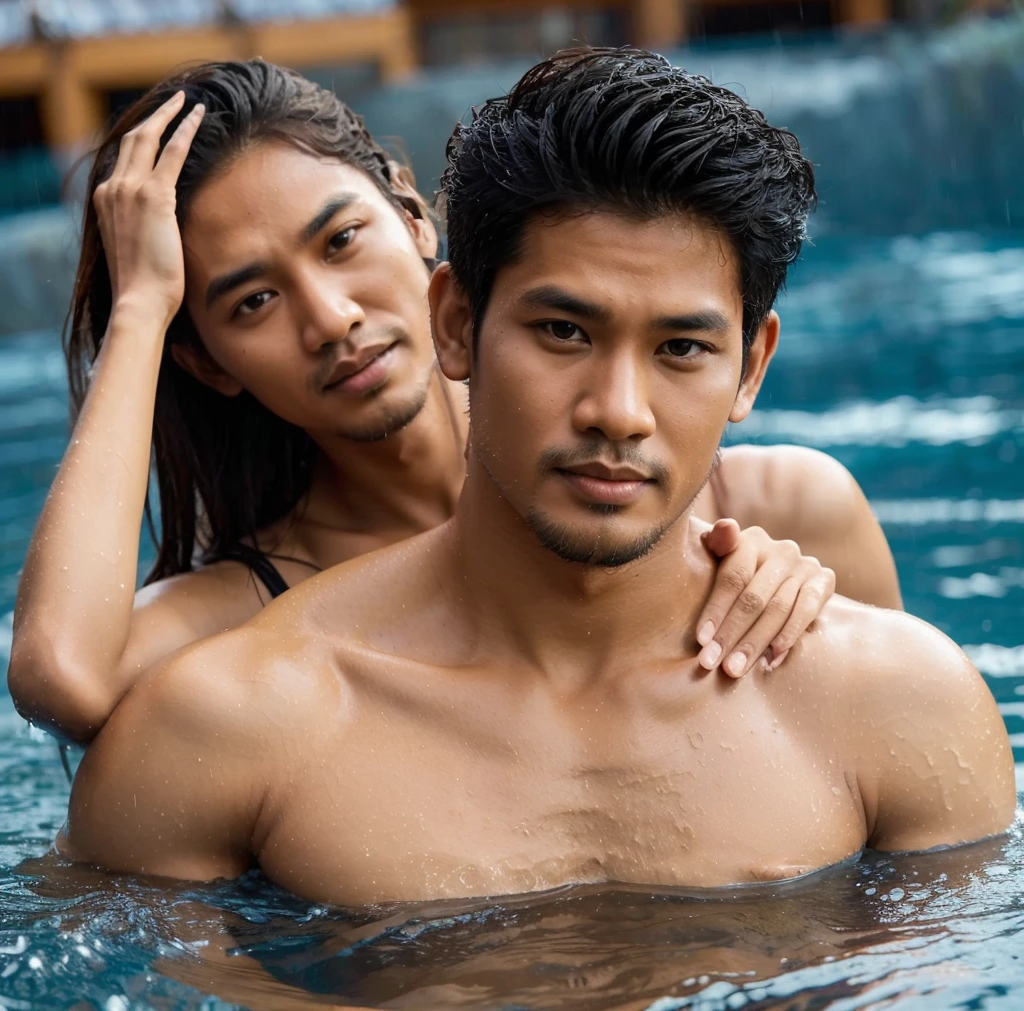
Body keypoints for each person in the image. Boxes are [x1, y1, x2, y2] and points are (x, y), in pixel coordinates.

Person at [59, 47, 1014, 905]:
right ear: (459, 325)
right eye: (563, 332)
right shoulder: (231, 705)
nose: (618, 411)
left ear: (751, 367)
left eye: (681, 346)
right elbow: (64, 678)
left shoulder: (884, 673)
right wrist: (143, 310)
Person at [8, 60, 898, 745]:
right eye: (253, 302)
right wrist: (137, 313)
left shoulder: (766, 521)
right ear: (210, 364)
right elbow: (62, 679)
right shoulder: (257, 614)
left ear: (415, 220)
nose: (331, 318)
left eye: (342, 239)